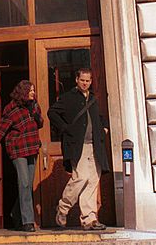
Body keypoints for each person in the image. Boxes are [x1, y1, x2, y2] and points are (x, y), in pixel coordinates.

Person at [47, 67, 110, 231]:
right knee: (81, 178)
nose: (85, 83)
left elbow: (99, 117)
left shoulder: (93, 98)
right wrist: (65, 128)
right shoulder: (68, 98)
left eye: (88, 81)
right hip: (77, 146)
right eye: (82, 80)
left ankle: (89, 218)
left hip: (95, 146)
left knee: (93, 181)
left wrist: (104, 127)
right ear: (76, 80)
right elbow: (52, 112)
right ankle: (63, 208)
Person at [0, 80, 43, 232]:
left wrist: (35, 114)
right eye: (30, 91)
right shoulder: (12, 109)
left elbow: (40, 124)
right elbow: (1, 130)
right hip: (18, 149)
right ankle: (27, 221)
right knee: (24, 184)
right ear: (23, 92)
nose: (33, 93)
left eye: (33, 90)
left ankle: (16, 213)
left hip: (32, 148)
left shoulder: (34, 106)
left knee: (28, 185)